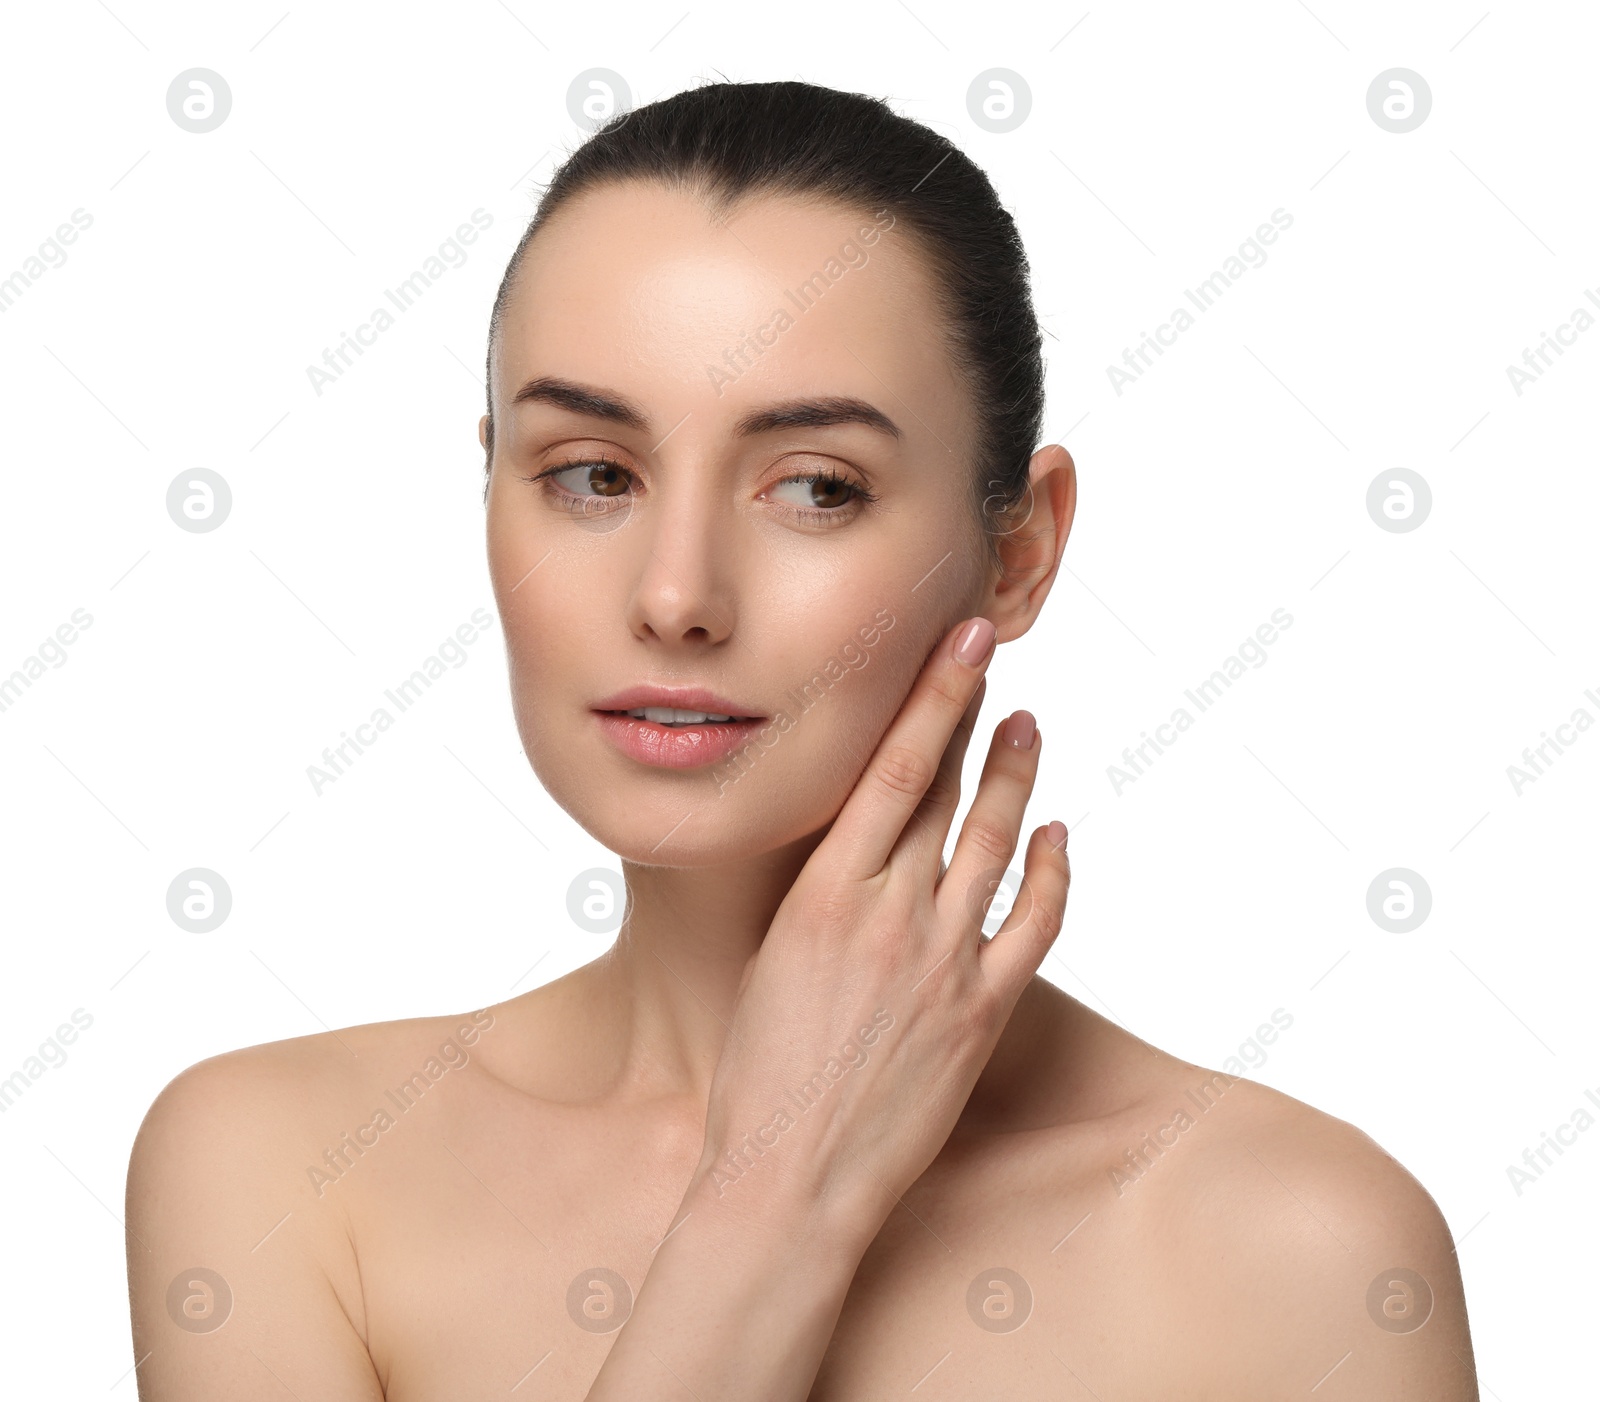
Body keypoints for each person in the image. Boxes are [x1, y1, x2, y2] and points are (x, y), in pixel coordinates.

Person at [126, 80, 1478, 1399]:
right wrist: (773, 1200)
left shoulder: (1300, 1251)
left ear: (1019, 547)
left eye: (817, 488)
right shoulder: (278, 1176)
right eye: (593, 473)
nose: (675, 597)